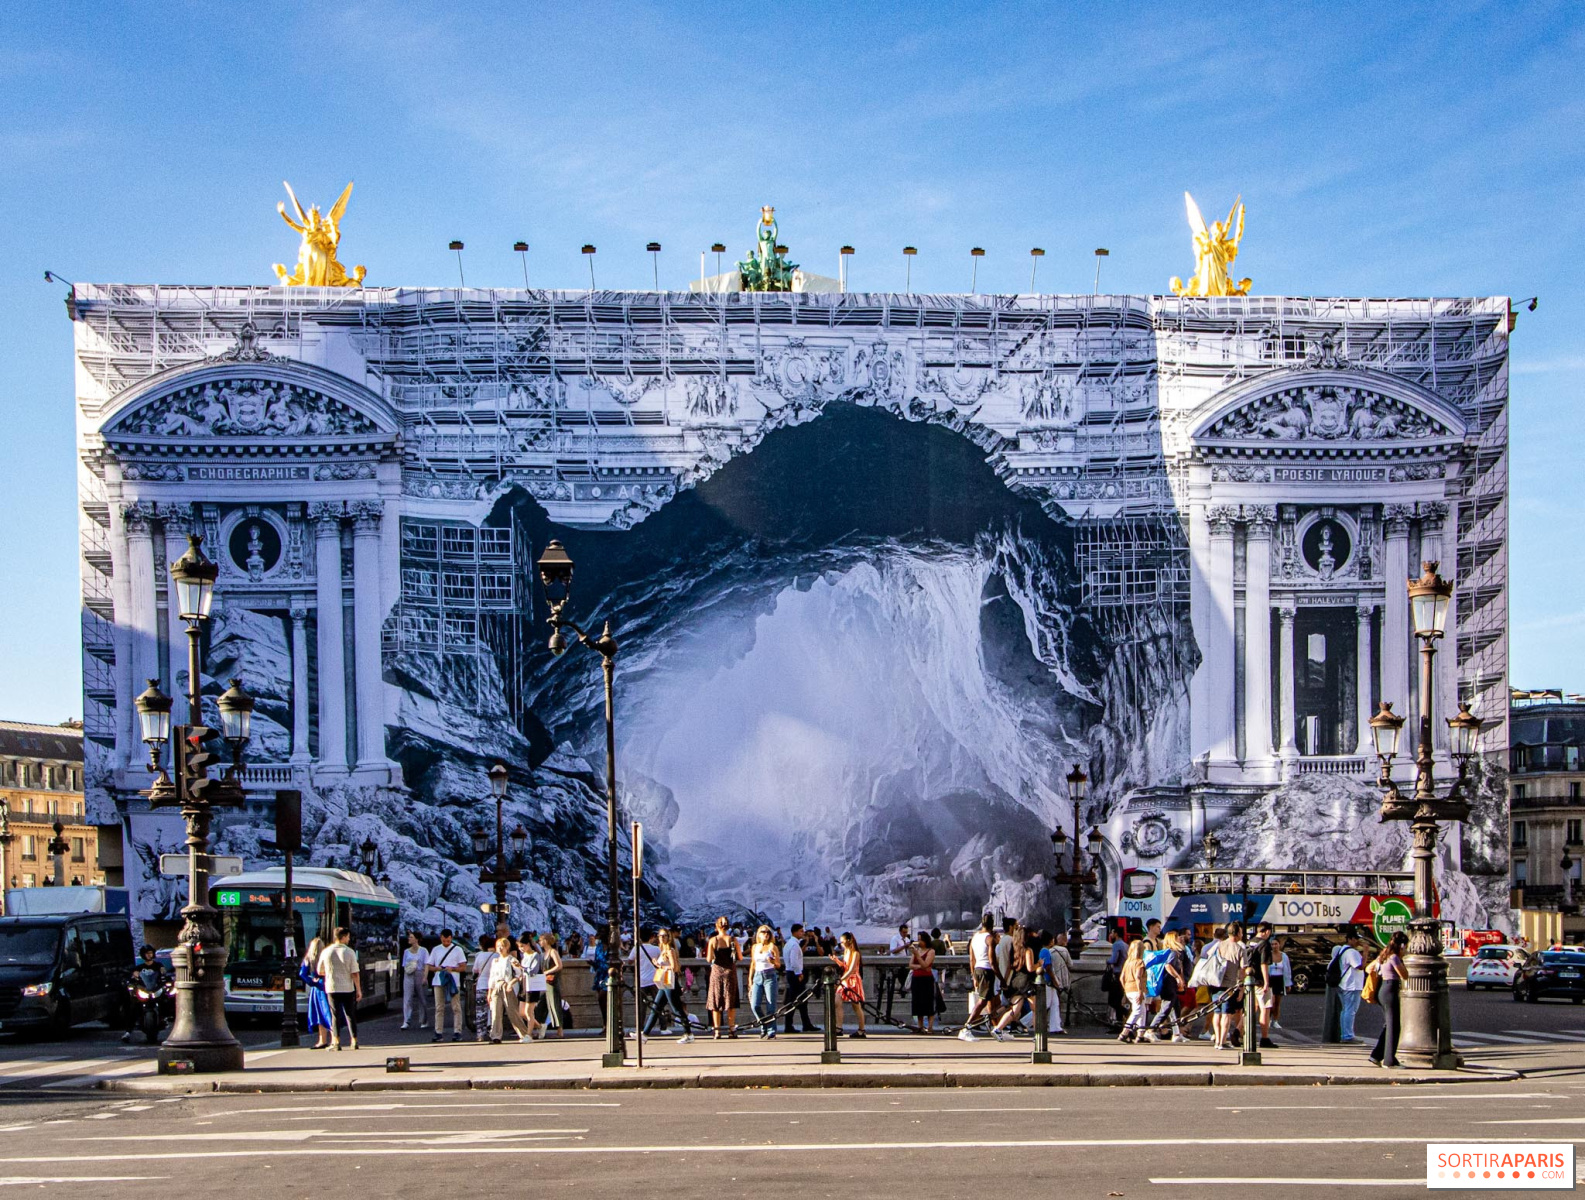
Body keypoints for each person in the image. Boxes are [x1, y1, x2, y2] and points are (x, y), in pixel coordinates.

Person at [645, 928, 694, 1042]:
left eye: (664, 936)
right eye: (660, 935)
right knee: (656, 1008)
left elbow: (675, 968)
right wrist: (656, 964)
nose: (662, 938)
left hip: (669, 982)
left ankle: (688, 1033)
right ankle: (645, 1034)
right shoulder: (663, 950)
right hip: (665, 982)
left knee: (676, 1009)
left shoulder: (670, 951)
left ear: (668, 937)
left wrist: (660, 966)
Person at [1368, 932, 1408, 1069]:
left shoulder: (1383, 956)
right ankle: (1390, 1060)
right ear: (1401, 945)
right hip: (1390, 989)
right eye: (1405, 946)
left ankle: (1376, 1055)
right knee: (1394, 1026)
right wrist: (1401, 959)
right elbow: (1405, 975)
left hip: (1382, 990)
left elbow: (1368, 968)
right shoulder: (1394, 957)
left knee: (1388, 1025)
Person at [317, 926, 361, 1051]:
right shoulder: (349, 952)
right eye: (347, 937)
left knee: (335, 1015)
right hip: (347, 987)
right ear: (343, 937)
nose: (348, 939)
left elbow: (320, 970)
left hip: (332, 987)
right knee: (350, 1014)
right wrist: (358, 989)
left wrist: (330, 973)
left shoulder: (326, 951)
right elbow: (355, 973)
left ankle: (336, 1041)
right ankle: (354, 1040)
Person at [1142, 929, 1190, 1043]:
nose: (1180, 938)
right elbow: (1168, 966)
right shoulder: (1172, 952)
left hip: (1170, 984)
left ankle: (1177, 1033)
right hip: (1169, 984)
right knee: (1166, 1008)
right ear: (1173, 939)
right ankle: (1150, 1031)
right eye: (1178, 937)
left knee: (1175, 1007)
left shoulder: (1176, 952)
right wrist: (1178, 978)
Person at [959, 914, 1001, 1042]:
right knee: (983, 1001)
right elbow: (992, 962)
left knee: (992, 1001)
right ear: (992, 924)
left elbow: (972, 958)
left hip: (977, 968)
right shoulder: (989, 939)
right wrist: (1001, 978)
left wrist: (973, 975)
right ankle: (966, 1028)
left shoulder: (975, 937)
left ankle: (997, 1028)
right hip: (987, 970)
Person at [992, 925, 1038, 1040]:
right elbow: (1030, 968)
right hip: (1027, 982)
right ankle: (1038, 1034)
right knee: (1036, 1009)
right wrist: (1040, 963)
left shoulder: (1014, 950)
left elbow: (1010, 967)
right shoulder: (1028, 950)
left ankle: (998, 1028)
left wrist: (1005, 981)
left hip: (1015, 980)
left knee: (1014, 1009)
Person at [483, 936, 530, 1043]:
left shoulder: (512, 960)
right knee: (495, 1011)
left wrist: (511, 984)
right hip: (496, 986)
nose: (500, 948)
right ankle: (495, 1036)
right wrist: (489, 992)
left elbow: (519, 974)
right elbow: (492, 977)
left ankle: (524, 1033)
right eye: (498, 946)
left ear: (507, 947)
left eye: (502, 946)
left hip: (508, 986)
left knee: (512, 1011)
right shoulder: (495, 961)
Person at [426, 928, 466, 1042]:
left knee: (456, 1007)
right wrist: (437, 968)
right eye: (444, 941)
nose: (446, 943)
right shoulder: (436, 950)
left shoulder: (458, 950)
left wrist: (452, 968)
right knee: (439, 1007)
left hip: (453, 980)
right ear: (441, 938)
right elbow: (429, 966)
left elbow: (463, 967)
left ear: (451, 938)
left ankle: (457, 1031)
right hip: (439, 980)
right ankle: (438, 1032)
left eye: (448, 941)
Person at [705, 916, 741, 1039]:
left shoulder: (713, 940)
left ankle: (717, 1031)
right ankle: (731, 1030)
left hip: (717, 972)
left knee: (716, 1001)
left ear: (716, 926)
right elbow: (740, 957)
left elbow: (709, 958)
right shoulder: (732, 939)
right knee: (730, 1001)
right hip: (730, 971)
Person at [1245, 921, 1276, 1049]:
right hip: (1259, 981)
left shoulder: (1250, 942)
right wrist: (1266, 982)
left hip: (1249, 980)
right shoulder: (1264, 944)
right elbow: (1264, 964)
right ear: (1267, 931)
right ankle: (1264, 1038)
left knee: (1251, 1008)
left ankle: (1239, 1030)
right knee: (1265, 1009)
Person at [748, 924, 782, 1038]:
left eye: (768, 932)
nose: (766, 934)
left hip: (769, 975)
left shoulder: (773, 947)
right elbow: (753, 963)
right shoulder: (755, 947)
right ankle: (763, 1024)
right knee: (755, 1005)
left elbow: (778, 964)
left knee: (770, 1005)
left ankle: (771, 1030)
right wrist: (750, 979)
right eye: (763, 932)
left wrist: (772, 961)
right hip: (758, 975)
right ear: (759, 934)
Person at [782, 923, 817, 1034]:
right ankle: (789, 1025)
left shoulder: (789, 944)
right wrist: (799, 973)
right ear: (795, 932)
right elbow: (794, 961)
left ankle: (805, 1023)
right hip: (794, 974)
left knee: (801, 1000)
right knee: (794, 1000)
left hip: (790, 973)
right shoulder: (794, 945)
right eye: (801, 931)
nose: (803, 933)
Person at [1213, 925, 1244, 1049]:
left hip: (1215, 982)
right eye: (1241, 932)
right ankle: (1222, 1041)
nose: (1242, 934)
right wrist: (1241, 989)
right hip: (1230, 985)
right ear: (1237, 934)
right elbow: (1243, 970)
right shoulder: (1240, 948)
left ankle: (1216, 1040)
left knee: (1216, 1012)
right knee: (1226, 1014)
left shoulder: (1219, 945)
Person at [831, 931, 866, 1038]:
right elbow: (845, 966)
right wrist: (836, 960)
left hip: (853, 979)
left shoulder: (855, 953)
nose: (841, 944)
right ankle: (839, 1027)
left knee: (856, 1006)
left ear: (848, 941)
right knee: (837, 1001)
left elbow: (851, 969)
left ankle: (861, 1029)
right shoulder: (846, 952)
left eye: (842, 942)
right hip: (846, 979)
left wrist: (840, 980)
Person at [300, 936, 332, 1050]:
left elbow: (302, 974)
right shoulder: (326, 956)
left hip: (316, 988)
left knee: (319, 1014)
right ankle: (333, 1039)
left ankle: (322, 1040)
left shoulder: (308, 959)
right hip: (327, 986)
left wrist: (312, 982)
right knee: (329, 1013)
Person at [1335, 930, 1367, 1043]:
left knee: (1346, 1010)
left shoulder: (1344, 950)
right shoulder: (1351, 952)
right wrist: (1366, 952)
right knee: (1350, 1010)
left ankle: (1345, 1034)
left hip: (1344, 984)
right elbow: (1360, 966)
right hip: (1351, 985)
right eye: (1355, 939)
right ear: (1349, 939)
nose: (1357, 941)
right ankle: (1347, 1036)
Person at [629, 927, 660, 1036]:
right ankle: (663, 1025)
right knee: (658, 1004)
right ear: (651, 937)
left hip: (641, 980)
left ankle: (640, 1027)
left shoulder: (636, 948)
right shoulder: (656, 949)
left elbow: (630, 961)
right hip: (654, 980)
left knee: (641, 1006)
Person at [1117, 939, 1149, 1043]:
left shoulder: (1128, 962)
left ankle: (1140, 1034)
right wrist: (1140, 991)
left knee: (1142, 1010)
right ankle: (1124, 1033)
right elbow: (1138, 977)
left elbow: (1121, 978)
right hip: (1137, 989)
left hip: (1128, 989)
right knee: (1138, 1011)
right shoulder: (1139, 962)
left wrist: (1125, 990)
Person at [908, 930, 938, 1033]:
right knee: (917, 1002)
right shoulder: (917, 951)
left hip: (926, 979)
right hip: (916, 978)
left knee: (928, 1002)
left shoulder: (931, 951)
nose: (919, 942)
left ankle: (930, 1026)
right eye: (918, 939)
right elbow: (911, 965)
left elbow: (926, 965)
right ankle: (920, 1026)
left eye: (921, 940)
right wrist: (920, 966)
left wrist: (918, 956)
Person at [1043, 930, 1073, 1035]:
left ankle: (1055, 1027)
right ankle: (1026, 1022)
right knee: (1046, 1004)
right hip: (1051, 981)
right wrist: (1055, 980)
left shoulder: (1047, 951)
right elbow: (1048, 967)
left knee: (1054, 1003)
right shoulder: (1046, 951)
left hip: (1050, 980)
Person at [519, 932, 547, 1039]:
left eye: (522, 946)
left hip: (532, 985)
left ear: (528, 944)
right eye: (519, 947)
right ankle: (539, 1026)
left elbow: (533, 971)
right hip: (524, 984)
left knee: (528, 1011)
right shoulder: (524, 955)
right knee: (522, 1012)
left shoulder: (535, 955)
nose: (521, 949)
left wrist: (522, 968)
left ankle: (528, 1034)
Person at [471, 934, 498, 1043]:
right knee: (493, 1010)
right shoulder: (497, 956)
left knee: (480, 1011)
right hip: (494, 986)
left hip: (481, 985)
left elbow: (475, 971)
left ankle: (480, 1034)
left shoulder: (480, 956)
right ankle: (493, 1032)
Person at [400, 932, 429, 1031]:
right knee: (407, 998)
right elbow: (404, 965)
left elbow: (426, 964)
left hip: (419, 973)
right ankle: (406, 1020)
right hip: (409, 974)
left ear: (416, 939)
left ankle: (423, 1020)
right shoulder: (406, 951)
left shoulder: (423, 951)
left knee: (422, 998)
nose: (409, 938)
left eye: (411, 937)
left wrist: (425, 977)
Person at [539, 932, 566, 1038]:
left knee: (555, 1004)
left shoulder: (552, 952)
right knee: (543, 1005)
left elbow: (559, 965)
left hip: (552, 982)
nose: (540, 942)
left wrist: (547, 972)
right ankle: (541, 1027)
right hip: (545, 982)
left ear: (546, 941)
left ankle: (560, 1030)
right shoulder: (544, 953)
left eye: (541, 940)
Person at [883, 923, 910, 1021]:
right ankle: (900, 993)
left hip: (905, 963)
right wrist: (904, 947)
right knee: (899, 979)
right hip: (897, 963)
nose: (905, 934)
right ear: (900, 931)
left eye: (906, 932)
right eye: (903, 932)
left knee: (905, 979)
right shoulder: (895, 939)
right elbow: (893, 951)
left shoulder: (906, 939)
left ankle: (904, 992)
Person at [1103, 927, 1128, 1026]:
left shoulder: (1116, 945)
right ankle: (1121, 1021)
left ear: (1116, 934)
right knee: (1119, 999)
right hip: (1124, 973)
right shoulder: (1126, 945)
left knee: (1113, 1001)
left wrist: (1107, 961)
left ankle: (1122, 1018)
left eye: (1112, 932)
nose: (1110, 934)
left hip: (1117, 974)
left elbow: (1114, 959)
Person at [1267, 935, 1291, 1032]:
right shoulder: (1268, 955)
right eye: (1272, 944)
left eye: (1276, 944)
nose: (1274, 946)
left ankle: (1275, 1021)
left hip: (1280, 980)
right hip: (1271, 980)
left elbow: (1288, 970)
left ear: (1279, 945)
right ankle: (1268, 1019)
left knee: (1277, 1002)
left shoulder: (1284, 956)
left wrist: (1288, 984)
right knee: (1270, 1002)